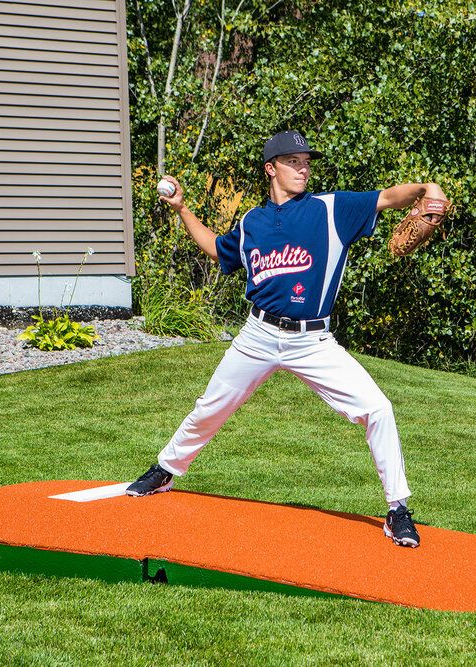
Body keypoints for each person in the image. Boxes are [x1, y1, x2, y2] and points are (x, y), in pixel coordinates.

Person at [126, 130, 448, 548]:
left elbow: (390, 197)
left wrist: (427, 189)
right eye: (293, 161)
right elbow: (220, 251)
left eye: (306, 161)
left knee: (379, 409)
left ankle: (397, 509)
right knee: (210, 407)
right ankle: (166, 470)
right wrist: (184, 209)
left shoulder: (331, 209)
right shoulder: (251, 223)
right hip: (257, 335)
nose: (303, 168)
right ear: (270, 168)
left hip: (312, 340)